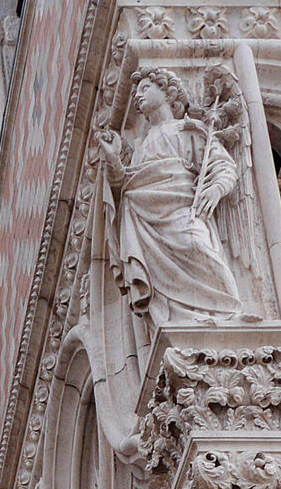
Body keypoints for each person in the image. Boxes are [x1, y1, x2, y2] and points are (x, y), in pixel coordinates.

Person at [102, 67, 242, 327]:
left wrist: (216, 188)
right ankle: (181, 318)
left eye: (145, 89)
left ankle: (229, 313)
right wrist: (112, 158)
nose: (138, 97)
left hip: (180, 205)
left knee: (197, 245)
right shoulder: (140, 146)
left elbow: (221, 164)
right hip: (145, 218)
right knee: (162, 275)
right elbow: (126, 183)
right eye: (136, 92)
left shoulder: (186, 129)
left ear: (168, 92)